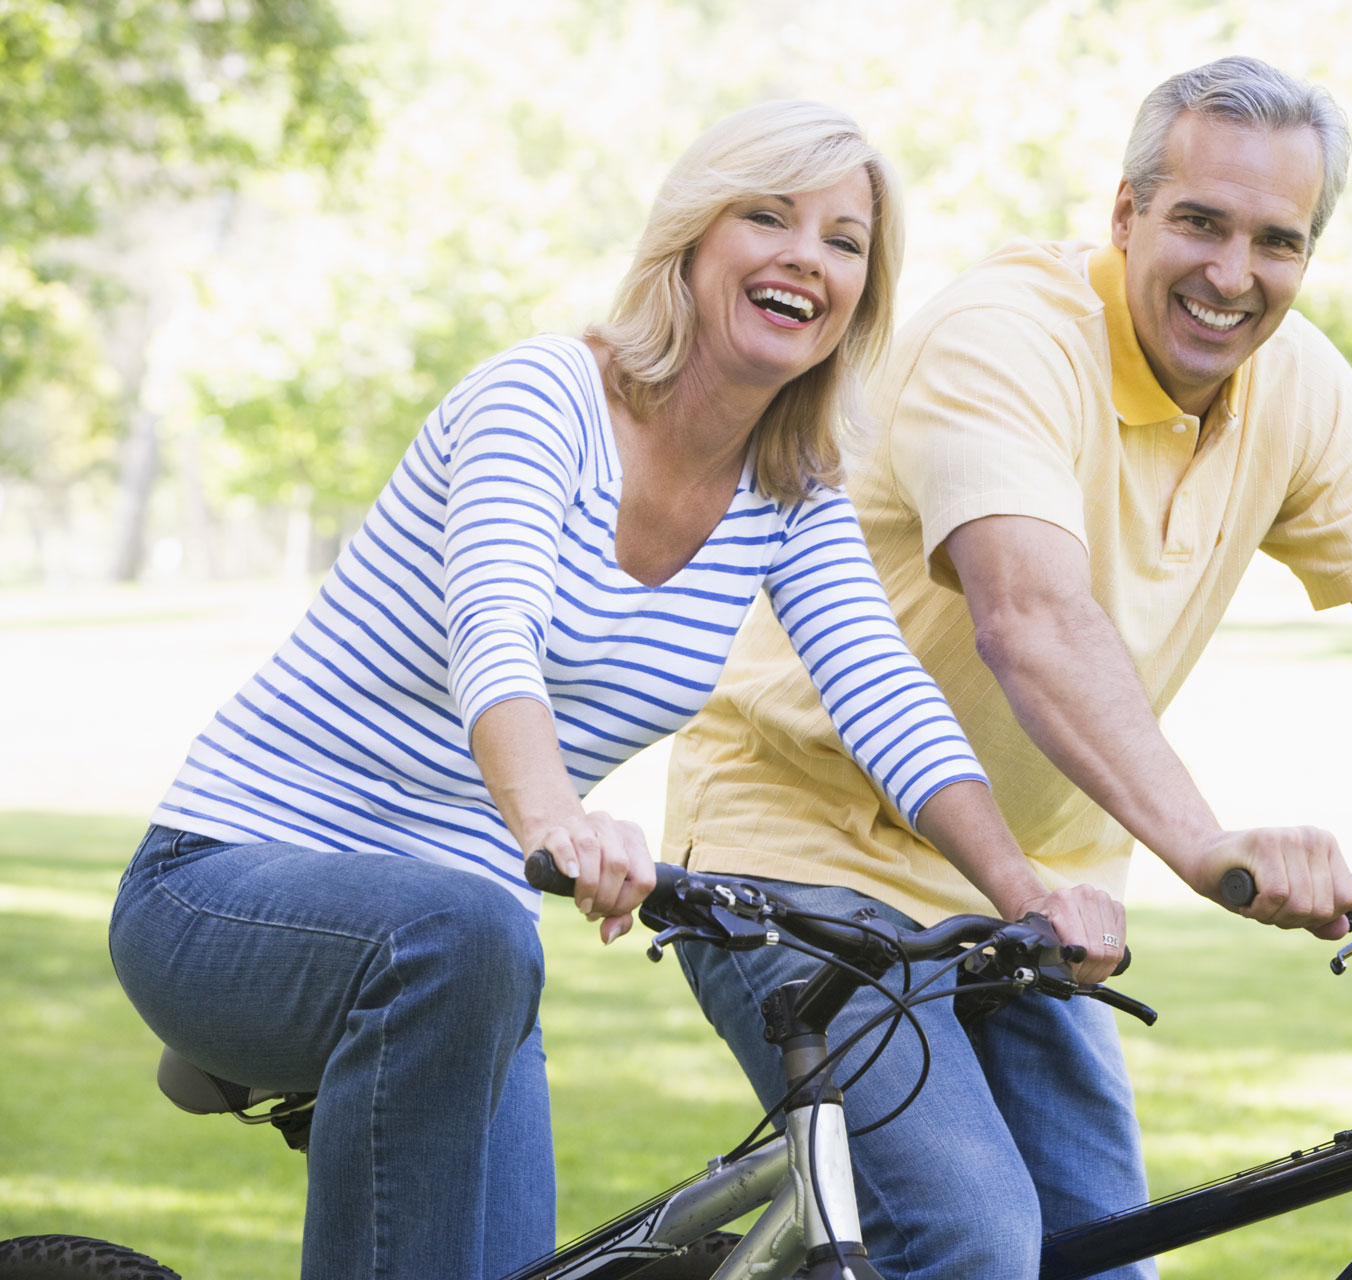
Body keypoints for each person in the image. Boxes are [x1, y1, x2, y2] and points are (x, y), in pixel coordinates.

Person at [663, 56, 1352, 1279]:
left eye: (1277, 240)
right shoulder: (1006, 339)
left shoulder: (1297, 389)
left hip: (1040, 889)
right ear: (1126, 214)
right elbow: (1031, 614)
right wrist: (1204, 843)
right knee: (970, 1232)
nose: (1234, 275)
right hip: (805, 853)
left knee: (1109, 1256)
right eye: (1201, 222)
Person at [106, 100, 1122, 1280]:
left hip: (470, 962)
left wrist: (1023, 892)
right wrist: (556, 820)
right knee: (467, 925)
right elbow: (495, 628)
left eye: (845, 241)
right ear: (690, 240)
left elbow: (881, 688)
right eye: (768, 216)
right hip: (226, 882)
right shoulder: (544, 397)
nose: (808, 256)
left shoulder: (790, 490)